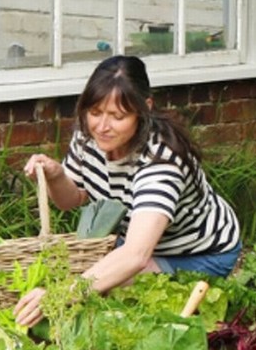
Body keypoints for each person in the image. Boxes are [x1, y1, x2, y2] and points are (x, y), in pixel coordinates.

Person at [14, 54, 241, 327]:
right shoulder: (90, 137)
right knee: (95, 289)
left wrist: (60, 295)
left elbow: (135, 255)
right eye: (95, 112)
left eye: (117, 116)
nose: (102, 126)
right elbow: (71, 199)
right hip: (139, 241)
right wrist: (56, 175)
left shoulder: (161, 161)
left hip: (197, 252)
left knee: (111, 299)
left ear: (144, 109)